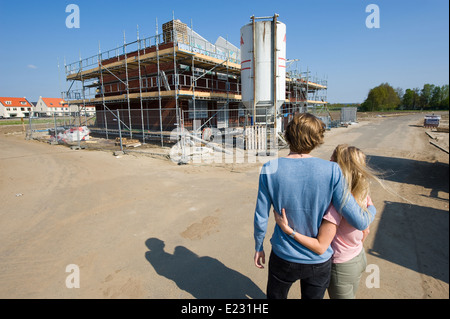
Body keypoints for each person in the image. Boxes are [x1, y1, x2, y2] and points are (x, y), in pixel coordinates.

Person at [253, 113, 376, 299]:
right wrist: (372, 207)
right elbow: (359, 220)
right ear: (317, 139)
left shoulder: (270, 168)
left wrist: (258, 245)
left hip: (283, 254)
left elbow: (261, 216)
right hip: (318, 261)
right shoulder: (332, 170)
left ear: (287, 136)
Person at [274, 144, 382, 299]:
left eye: (333, 158)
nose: (329, 160)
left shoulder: (337, 205)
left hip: (341, 266)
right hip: (358, 257)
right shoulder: (362, 194)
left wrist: (289, 230)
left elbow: (320, 247)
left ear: (340, 166)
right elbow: (366, 231)